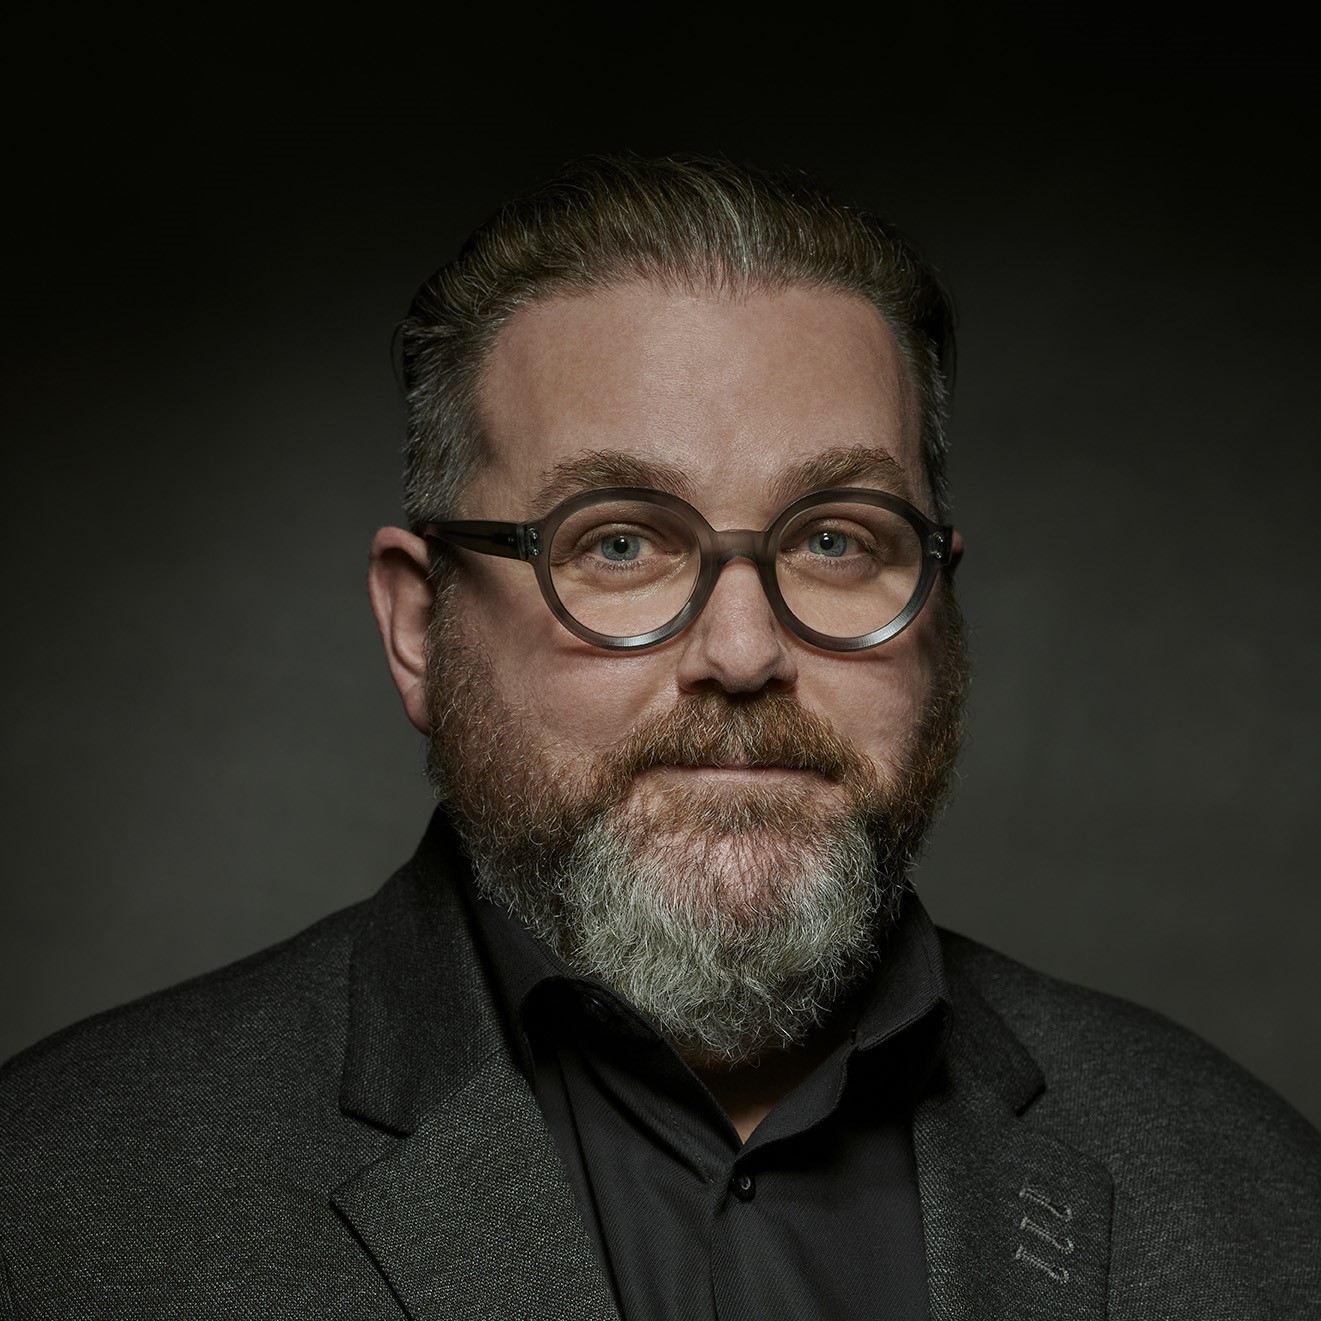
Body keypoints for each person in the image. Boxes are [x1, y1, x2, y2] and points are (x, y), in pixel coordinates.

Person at [1, 155, 1317, 1320]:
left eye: (835, 538)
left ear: (938, 604)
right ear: (418, 626)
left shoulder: (1257, 1199)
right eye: (620, 542)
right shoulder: (58, 1203)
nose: (742, 651)